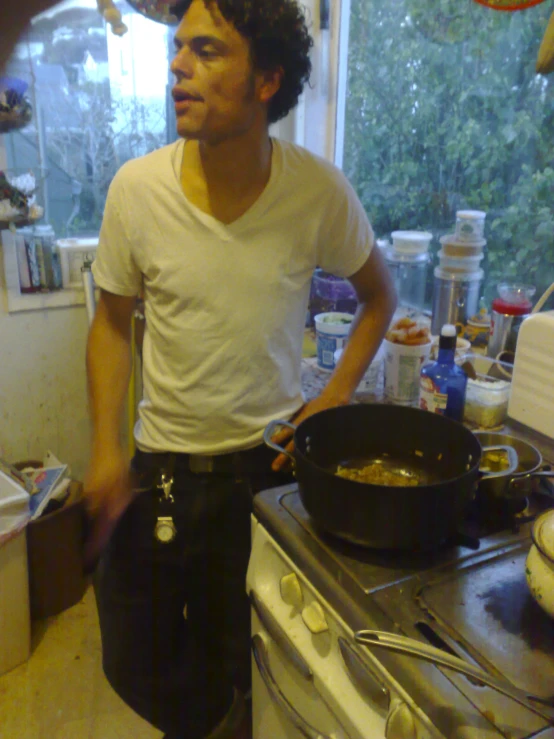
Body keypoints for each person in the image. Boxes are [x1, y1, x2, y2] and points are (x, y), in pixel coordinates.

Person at [85, 0, 396, 737]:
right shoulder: (137, 189)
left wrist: (337, 395)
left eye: (207, 51)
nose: (177, 65)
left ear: (266, 80)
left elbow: (381, 297)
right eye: (178, 46)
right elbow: (109, 325)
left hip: (267, 472)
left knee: (249, 646)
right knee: (135, 653)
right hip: (162, 468)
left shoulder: (317, 191)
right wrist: (103, 447)